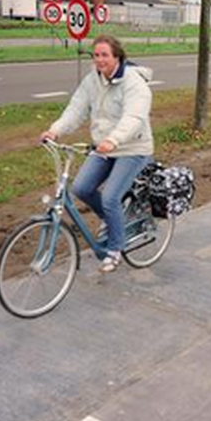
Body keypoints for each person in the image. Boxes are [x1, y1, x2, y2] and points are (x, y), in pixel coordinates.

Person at [40, 35, 154, 273]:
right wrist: (55, 130)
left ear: (117, 57)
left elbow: (134, 117)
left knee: (110, 197)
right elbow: (76, 109)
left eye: (104, 55)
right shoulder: (92, 80)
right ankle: (114, 221)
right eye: (96, 55)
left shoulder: (134, 83)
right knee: (81, 188)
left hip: (132, 148)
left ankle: (115, 249)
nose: (99, 60)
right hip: (103, 147)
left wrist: (114, 139)